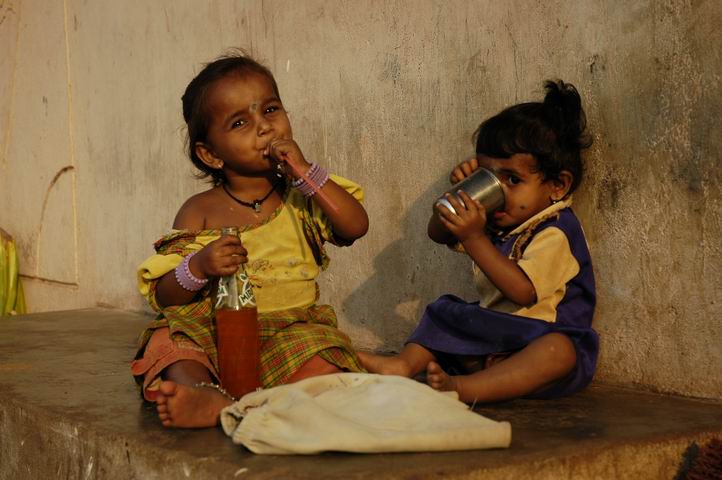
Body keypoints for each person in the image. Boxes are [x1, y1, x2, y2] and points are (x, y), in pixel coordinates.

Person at [131, 50, 369, 428]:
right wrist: (199, 266)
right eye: (240, 122)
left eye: (271, 110)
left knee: (321, 353)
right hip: (213, 329)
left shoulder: (303, 195)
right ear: (211, 154)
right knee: (171, 342)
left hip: (289, 330)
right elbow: (165, 296)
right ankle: (204, 395)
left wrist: (305, 172)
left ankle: (263, 402)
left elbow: (355, 226)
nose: (264, 128)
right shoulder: (200, 211)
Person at [360, 80, 598, 404]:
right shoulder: (501, 220)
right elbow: (438, 232)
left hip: (540, 336)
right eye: (488, 176)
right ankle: (402, 365)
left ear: (558, 185)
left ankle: (464, 388)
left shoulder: (556, 230)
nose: (499, 190)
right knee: (444, 310)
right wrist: (461, 196)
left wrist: (474, 237)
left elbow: (522, 291)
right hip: (496, 334)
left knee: (559, 352)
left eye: (512, 179)